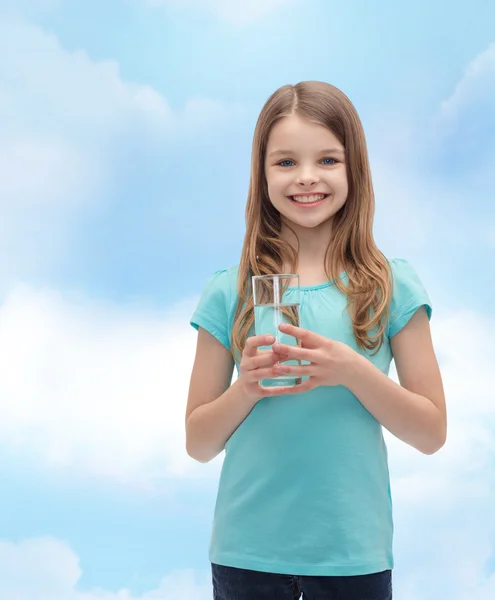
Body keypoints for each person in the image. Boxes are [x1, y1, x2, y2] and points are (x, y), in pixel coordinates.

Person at [185, 81, 447, 600]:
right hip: (246, 553)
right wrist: (247, 388)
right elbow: (198, 443)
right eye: (285, 162)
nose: (307, 177)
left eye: (327, 159)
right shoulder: (230, 289)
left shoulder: (389, 287)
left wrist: (352, 370)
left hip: (353, 553)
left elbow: (431, 433)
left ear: (355, 170)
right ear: (262, 174)